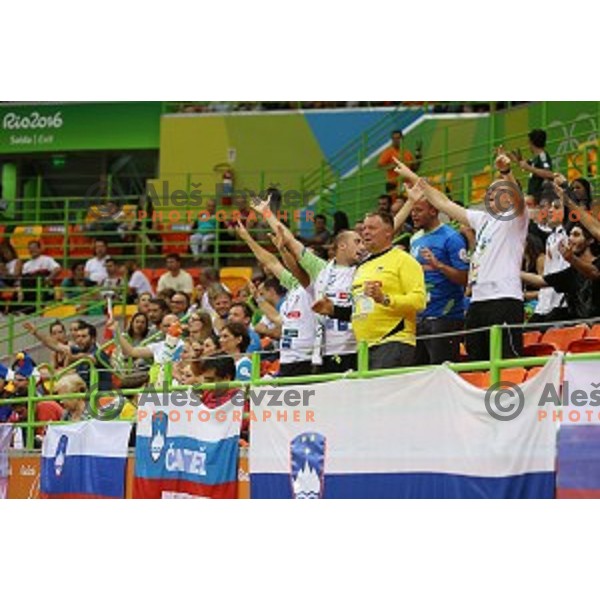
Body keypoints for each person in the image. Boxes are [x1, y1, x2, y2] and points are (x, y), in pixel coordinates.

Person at [394, 151, 528, 361]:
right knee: (477, 363)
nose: (493, 196)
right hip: (477, 302)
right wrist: (413, 176)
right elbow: (444, 203)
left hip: (504, 299)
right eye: (490, 193)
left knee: (507, 361)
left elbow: (518, 199)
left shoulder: (516, 219)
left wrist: (506, 172)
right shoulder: (482, 220)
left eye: (500, 192)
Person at [252, 196, 366, 372]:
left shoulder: (366, 268)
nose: (363, 246)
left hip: (357, 347)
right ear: (342, 245)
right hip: (326, 352)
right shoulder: (321, 270)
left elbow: (384, 234)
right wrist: (267, 213)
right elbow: (290, 240)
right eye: (358, 242)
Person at [393, 186, 469, 365]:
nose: (414, 215)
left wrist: (439, 266)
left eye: (418, 210)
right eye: (412, 211)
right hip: (418, 317)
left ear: (434, 210)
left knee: (442, 374)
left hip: (445, 317)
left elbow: (465, 278)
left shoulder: (452, 237)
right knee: (418, 376)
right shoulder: (415, 238)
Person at [521, 224, 600, 320]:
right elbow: (540, 281)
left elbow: (594, 273)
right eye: (569, 235)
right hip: (577, 327)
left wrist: (572, 259)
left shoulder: (597, 264)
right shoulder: (571, 272)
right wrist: (512, 271)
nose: (570, 239)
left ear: (590, 240)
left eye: (576, 235)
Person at [529, 195, 570, 323]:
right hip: (545, 302)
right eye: (550, 207)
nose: (551, 210)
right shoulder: (550, 238)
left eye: (556, 207)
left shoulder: (568, 235)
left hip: (561, 302)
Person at [511, 129, 554, 203]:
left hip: (539, 198)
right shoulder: (535, 158)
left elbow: (549, 174)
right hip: (533, 197)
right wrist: (517, 161)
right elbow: (524, 164)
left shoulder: (542, 156)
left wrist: (529, 168)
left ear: (531, 142)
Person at [378, 130, 422, 197]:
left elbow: (414, 169)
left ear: (402, 139)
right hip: (393, 184)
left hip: (406, 185)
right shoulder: (388, 151)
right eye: (394, 138)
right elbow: (380, 166)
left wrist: (418, 156)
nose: (396, 140)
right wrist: (393, 166)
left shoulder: (407, 153)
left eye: (398, 138)